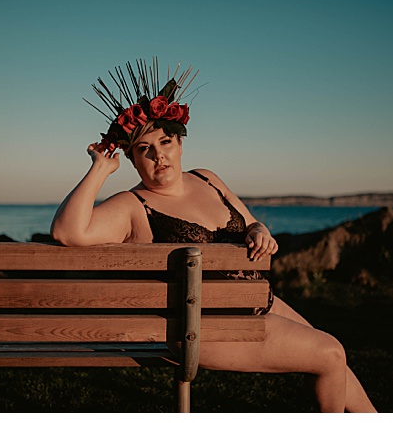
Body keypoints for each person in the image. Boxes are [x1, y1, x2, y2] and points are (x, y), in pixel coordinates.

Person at [49, 60, 375, 412]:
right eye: (145, 149)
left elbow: (252, 223)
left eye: (166, 141)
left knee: (332, 356)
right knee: (330, 353)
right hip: (201, 326)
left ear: (180, 142)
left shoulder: (207, 178)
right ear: (131, 158)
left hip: (255, 301)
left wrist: (260, 232)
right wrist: (99, 170)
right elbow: (67, 232)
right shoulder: (132, 206)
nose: (160, 155)